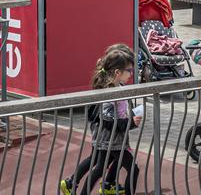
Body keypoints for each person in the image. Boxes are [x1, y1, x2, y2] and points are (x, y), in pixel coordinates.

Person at [59, 44, 140, 195]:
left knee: (99, 167)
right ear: (117, 72)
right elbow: (107, 118)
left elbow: (118, 114)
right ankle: (78, 183)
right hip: (110, 140)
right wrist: (128, 123)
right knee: (130, 169)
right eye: (129, 70)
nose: (131, 73)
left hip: (114, 140)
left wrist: (129, 120)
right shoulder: (108, 92)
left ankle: (102, 185)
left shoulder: (118, 87)